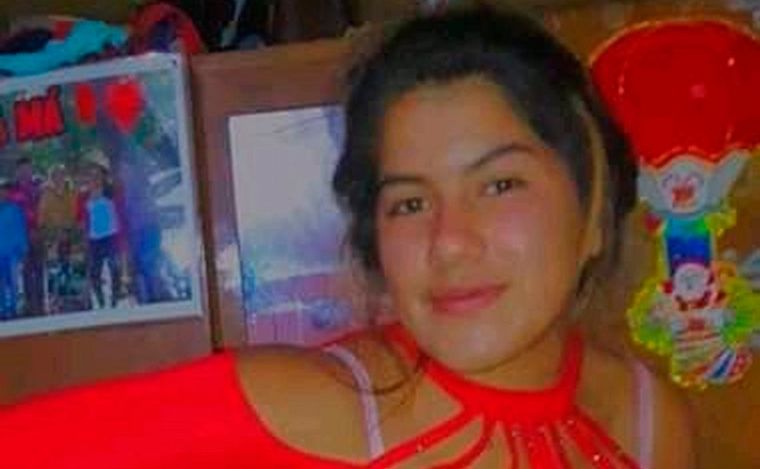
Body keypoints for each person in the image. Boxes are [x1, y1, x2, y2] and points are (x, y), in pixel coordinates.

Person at [0, 7, 694, 468]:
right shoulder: (305, 404)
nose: (449, 242)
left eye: (500, 184)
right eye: (409, 202)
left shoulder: (649, 420)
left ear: (594, 205)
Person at [76, 164, 124, 309]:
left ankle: (115, 299)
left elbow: (121, 209)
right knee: (94, 273)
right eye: (92, 175)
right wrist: (83, 237)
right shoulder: (83, 196)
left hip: (112, 236)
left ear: (103, 176)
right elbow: (80, 219)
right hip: (94, 239)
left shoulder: (111, 192)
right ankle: (101, 301)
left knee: (115, 269)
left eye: (98, 175)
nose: (95, 178)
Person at [39, 164, 80, 312]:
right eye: (55, 175)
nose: (59, 178)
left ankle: (76, 302)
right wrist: (53, 232)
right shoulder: (46, 195)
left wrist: (71, 230)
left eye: (61, 174)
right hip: (53, 239)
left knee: (74, 270)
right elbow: (41, 220)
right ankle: (55, 304)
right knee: (54, 272)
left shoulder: (73, 192)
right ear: (51, 178)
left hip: (72, 237)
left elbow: (78, 214)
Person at [8, 156, 44, 316]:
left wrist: (40, 229)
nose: (25, 172)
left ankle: (41, 305)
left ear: (31, 169)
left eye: (28, 168)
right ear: (17, 171)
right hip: (21, 236)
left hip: (39, 234)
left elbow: (44, 209)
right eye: (22, 169)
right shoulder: (12, 191)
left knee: (40, 269)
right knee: (26, 271)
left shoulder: (39, 186)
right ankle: (30, 306)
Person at [0, 180, 28, 320]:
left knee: (13, 282)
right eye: (1, 189)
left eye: (5, 189)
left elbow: (21, 231)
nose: (2, 192)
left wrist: (23, 249)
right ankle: (2, 310)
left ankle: (13, 309)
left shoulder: (16, 210)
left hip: (12, 254)